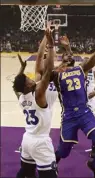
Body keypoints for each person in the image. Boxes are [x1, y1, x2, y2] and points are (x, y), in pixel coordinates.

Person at [52, 18, 95, 178]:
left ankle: (94, 164)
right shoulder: (56, 74)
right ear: (61, 61)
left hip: (84, 112)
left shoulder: (82, 69)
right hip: (69, 116)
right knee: (63, 151)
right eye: (64, 56)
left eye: (69, 55)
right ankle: (52, 164)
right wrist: (51, 45)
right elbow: (44, 69)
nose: (67, 57)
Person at [13, 29, 58, 178]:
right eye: (29, 79)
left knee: (26, 173)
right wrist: (51, 45)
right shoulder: (39, 92)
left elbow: (39, 58)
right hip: (41, 141)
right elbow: (48, 70)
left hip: (27, 140)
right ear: (28, 86)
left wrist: (45, 38)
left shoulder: (21, 97)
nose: (32, 78)